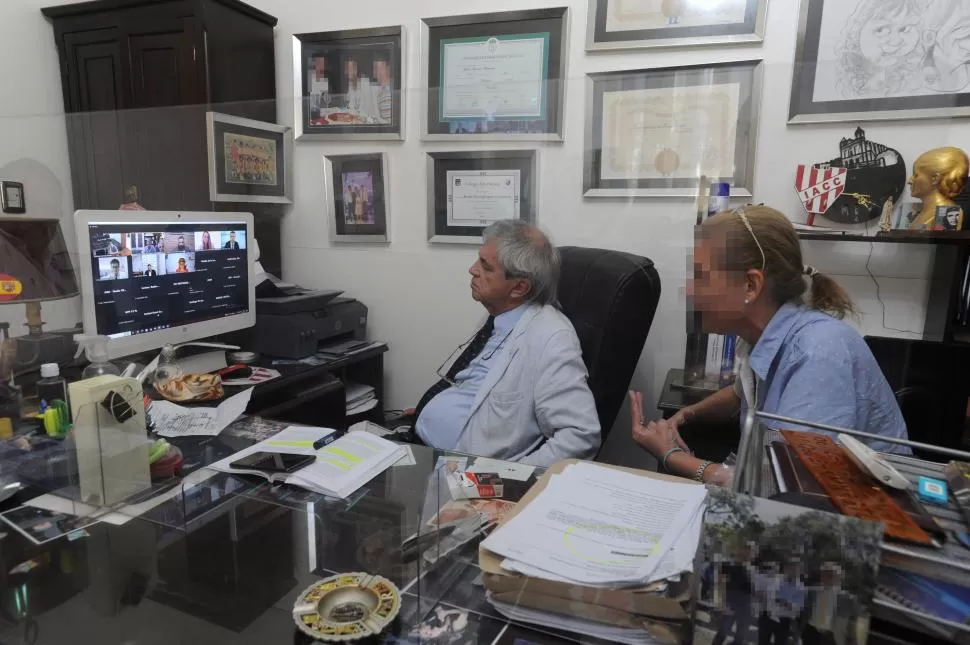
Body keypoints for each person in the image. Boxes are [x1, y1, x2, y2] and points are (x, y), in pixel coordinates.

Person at [630, 206, 911, 486]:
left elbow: (782, 487)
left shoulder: (818, 352)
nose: (688, 291)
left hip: (858, 517)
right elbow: (742, 392)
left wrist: (670, 454)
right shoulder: (764, 336)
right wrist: (686, 414)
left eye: (701, 277)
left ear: (751, 285)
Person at [412, 220, 600, 466]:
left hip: (462, 474)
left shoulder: (552, 337)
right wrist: (435, 408)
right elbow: (479, 386)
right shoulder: (497, 318)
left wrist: (511, 477)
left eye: (486, 267)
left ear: (519, 287)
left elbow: (581, 436)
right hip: (420, 446)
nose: (472, 270)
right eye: (478, 259)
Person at [712, 541, 758, 645]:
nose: (751, 553)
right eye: (749, 549)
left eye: (753, 551)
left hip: (747, 607)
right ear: (742, 550)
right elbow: (720, 585)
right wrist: (722, 604)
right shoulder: (728, 566)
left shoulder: (753, 570)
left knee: (741, 635)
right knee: (723, 632)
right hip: (731, 604)